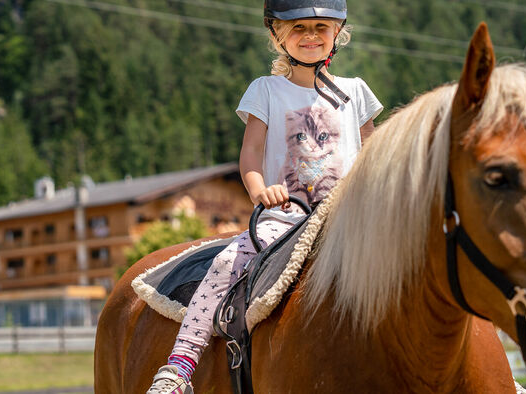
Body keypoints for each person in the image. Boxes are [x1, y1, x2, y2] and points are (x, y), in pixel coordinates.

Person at [147, 0, 382, 392]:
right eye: (298, 28)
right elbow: (252, 154)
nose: (310, 36)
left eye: (321, 27)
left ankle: (490, 373)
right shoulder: (266, 90)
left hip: (349, 220)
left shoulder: (355, 91)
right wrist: (261, 191)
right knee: (226, 263)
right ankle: (181, 364)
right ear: (277, 35)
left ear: (338, 33)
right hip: (287, 219)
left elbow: (376, 155)